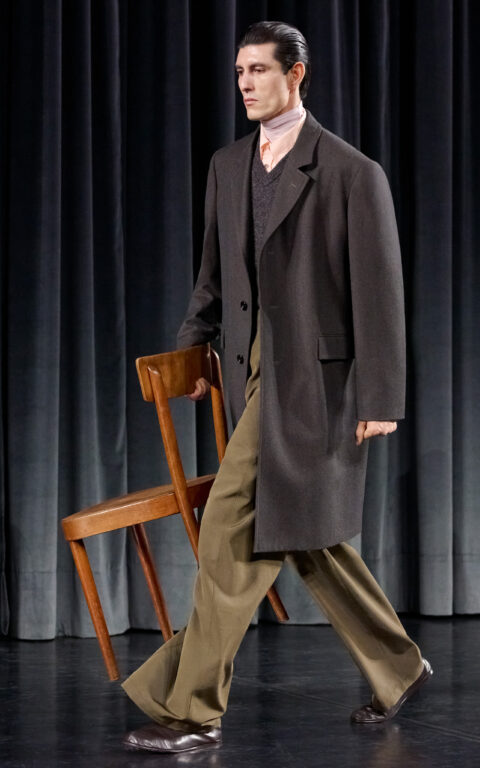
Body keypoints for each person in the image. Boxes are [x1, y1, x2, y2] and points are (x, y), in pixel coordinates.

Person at [122, 20, 432, 755]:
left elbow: (380, 294)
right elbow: (213, 273)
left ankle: (193, 709)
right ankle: (399, 667)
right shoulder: (228, 165)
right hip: (248, 368)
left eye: (260, 70)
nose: (246, 84)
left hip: (315, 382)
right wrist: (192, 350)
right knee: (304, 533)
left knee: (230, 525)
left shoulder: (352, 171)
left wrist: (381, 398)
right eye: (240, 72)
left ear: (297, 74)